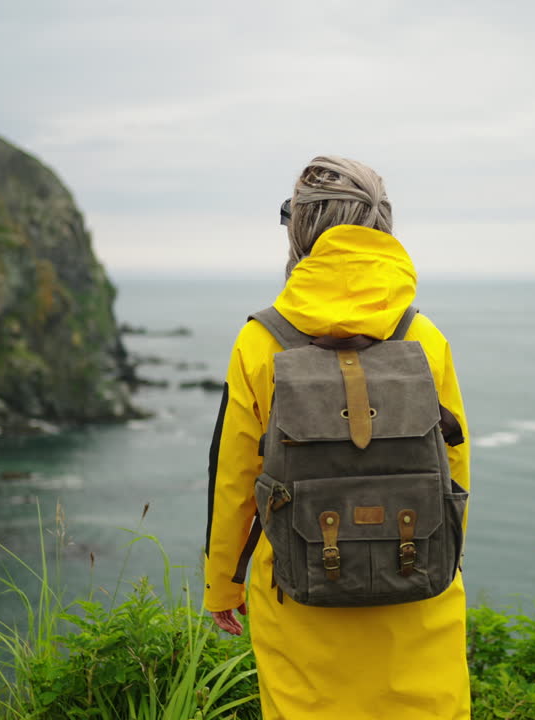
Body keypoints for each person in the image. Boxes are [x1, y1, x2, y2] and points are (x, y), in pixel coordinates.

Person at [202, 155, 472, 719]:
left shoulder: (261, 341)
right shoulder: (423, 337)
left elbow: (234, 479)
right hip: (417, 594)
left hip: (301, 597)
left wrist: (223, 586)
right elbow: (455, 473)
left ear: (300, 229)